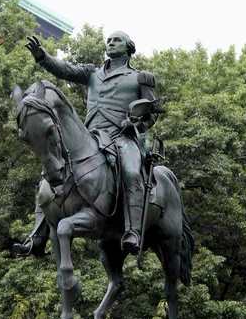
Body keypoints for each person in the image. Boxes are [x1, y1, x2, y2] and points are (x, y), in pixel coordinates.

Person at [14, 31, 165, 257]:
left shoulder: (140, 77)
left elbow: (151, 113)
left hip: (122, 137)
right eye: (109, 40)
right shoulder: (92, 72)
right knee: (50, 172)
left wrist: (135, 124)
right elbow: (64, 70)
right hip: (92, 135)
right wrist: (42, 56)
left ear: (129, 47)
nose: (111, 43)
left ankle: (132, 230)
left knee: (132, 173)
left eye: (117, 40)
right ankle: (37, 236)